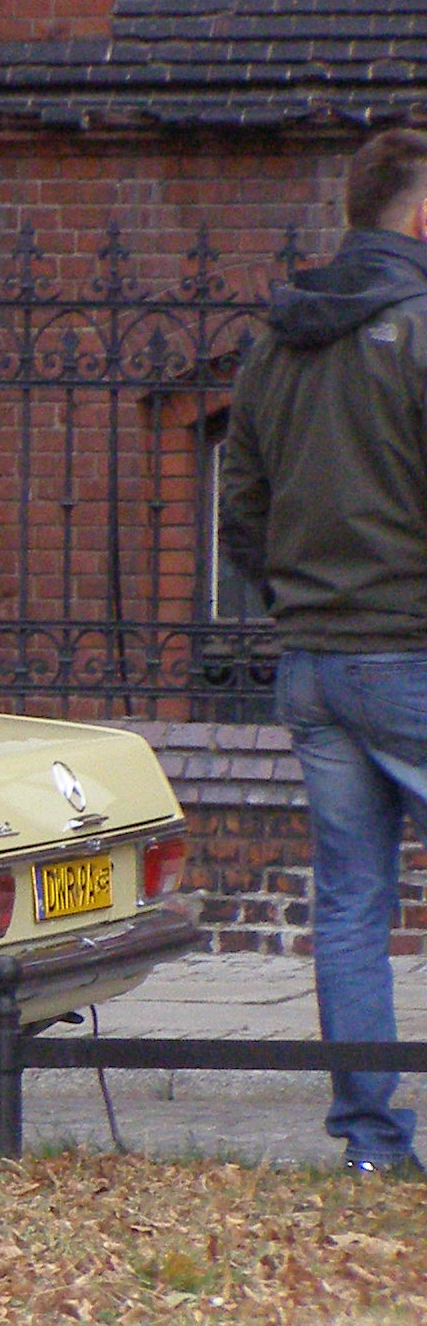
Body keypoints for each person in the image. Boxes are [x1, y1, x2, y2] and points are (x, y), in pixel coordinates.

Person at [221, 128, 427, 1176]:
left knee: (348, 905)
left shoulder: (276, 341)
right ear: (420, 216)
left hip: (311, 658)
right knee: (351, 901)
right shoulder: (420, 329)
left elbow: (240, 505)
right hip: (408, 651)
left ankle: (368, 1142)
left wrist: (295, 600)